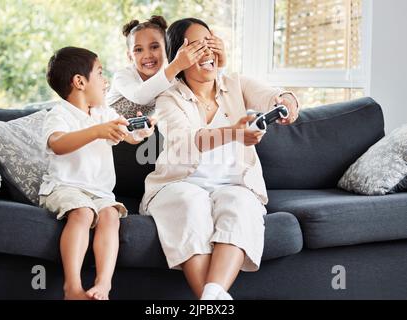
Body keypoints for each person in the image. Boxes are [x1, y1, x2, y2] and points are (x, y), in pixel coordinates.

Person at [139, 18, 300, 300]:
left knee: (240, 203)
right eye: (199, 46)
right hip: (178, 183)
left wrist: (287, 101)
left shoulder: (235, 84)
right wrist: (234, 133)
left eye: (211, 42)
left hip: (234, 184)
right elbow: (186, 140)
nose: (208, 52)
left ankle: (211, 298)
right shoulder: (168, 99)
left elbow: (274, 96)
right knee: (191, 201)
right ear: (180, 54)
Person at [39, 46, 155, 300]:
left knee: (110, 216)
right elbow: (57, 143)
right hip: (64, 187)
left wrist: (141, 131)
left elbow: (127, 134)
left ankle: (104, 284)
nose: (105, 81)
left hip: (99, 192)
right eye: (100, 74)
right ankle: (72, 287)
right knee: (82, 212)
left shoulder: (104, 113)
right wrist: (97, 131)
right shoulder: (59, 114)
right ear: (80, 81)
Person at [106, 15, 227, 117]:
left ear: (167, 49)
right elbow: (140, 96)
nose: (147, 55)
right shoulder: (122, 76)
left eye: (154, 47)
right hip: (108, 136)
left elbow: (204, 86)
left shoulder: (171, 74)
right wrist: (176, 65)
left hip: (142, 135)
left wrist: (221, 62)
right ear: (130, 56)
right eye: (138, 50)